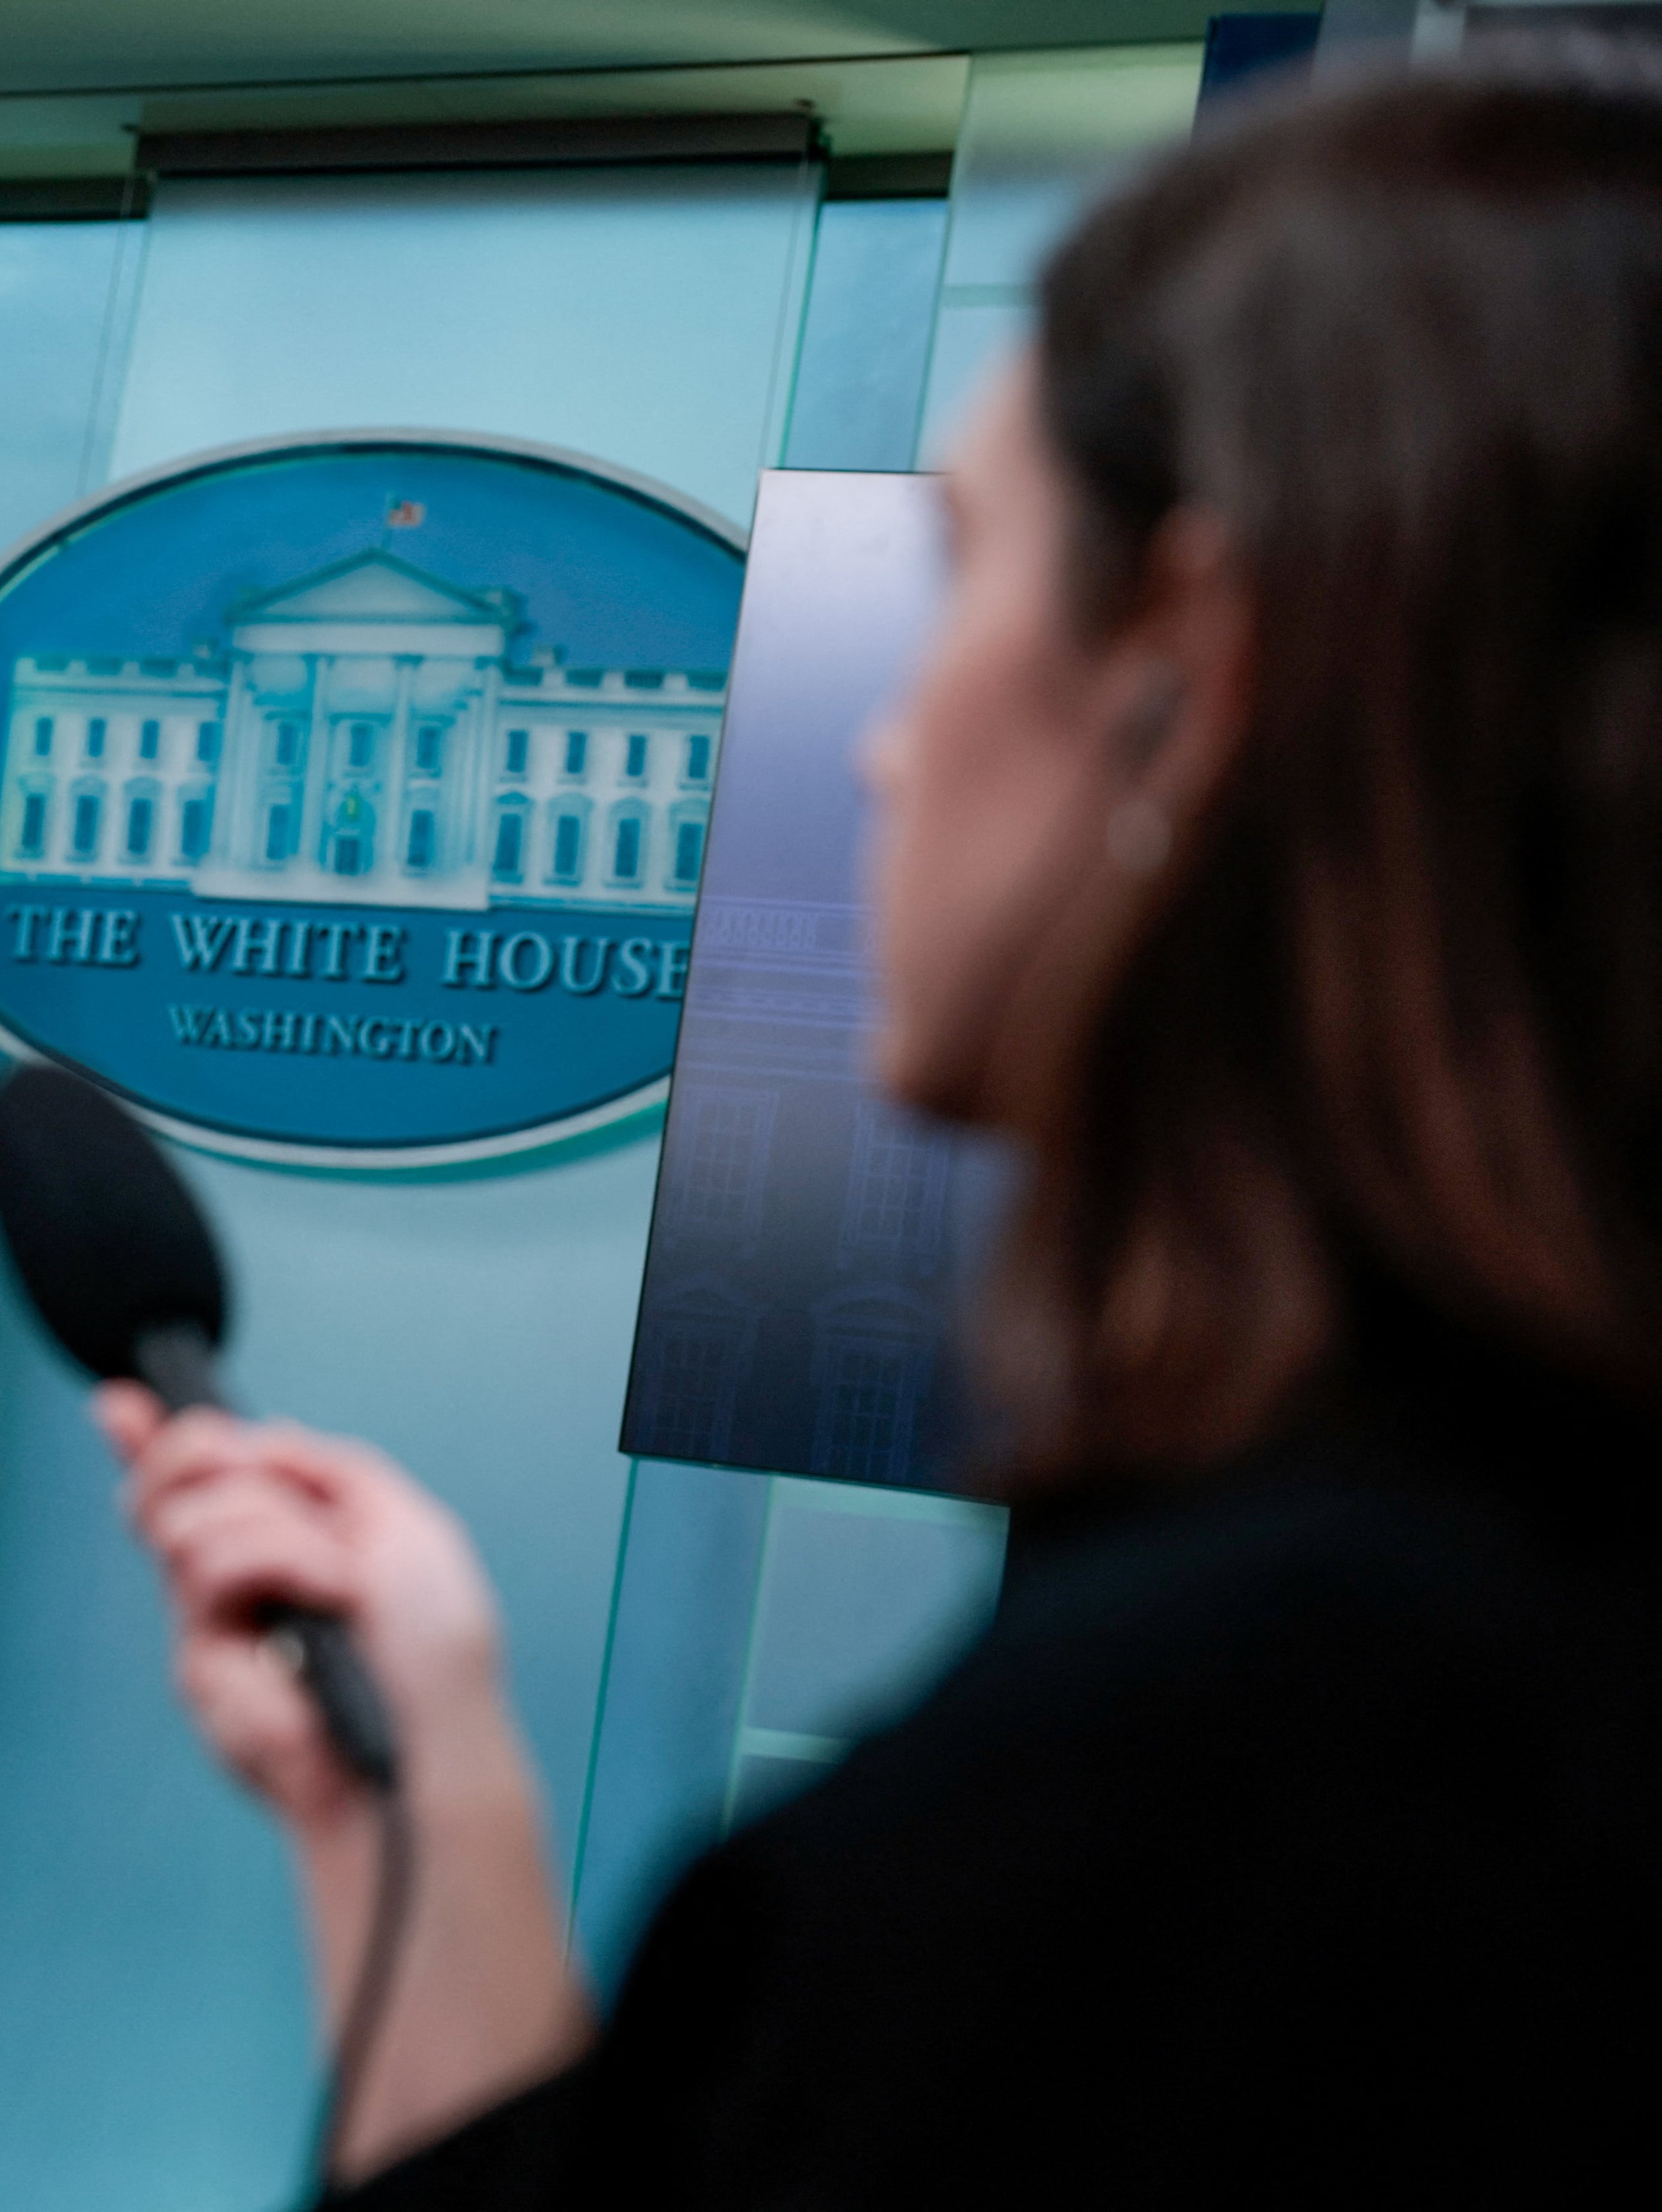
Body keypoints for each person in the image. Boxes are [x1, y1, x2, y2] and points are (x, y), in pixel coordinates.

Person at [105, 60, 1661, 2206]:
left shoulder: (1233, 1779)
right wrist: (412, 1795)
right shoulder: (1469, 1637)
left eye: (960, 576)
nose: (888, 739)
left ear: (1188, 675)